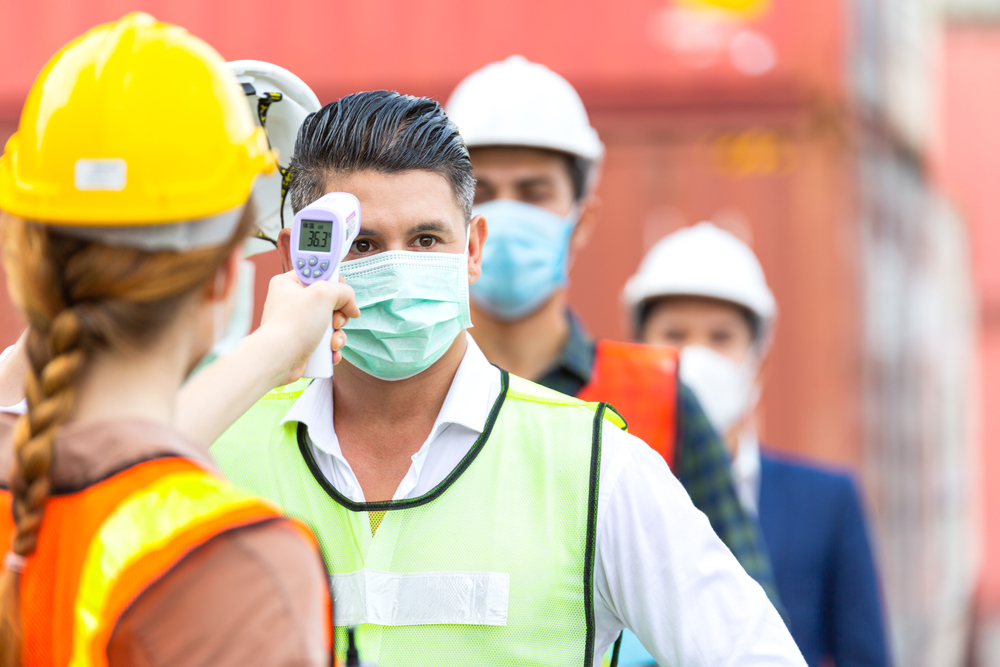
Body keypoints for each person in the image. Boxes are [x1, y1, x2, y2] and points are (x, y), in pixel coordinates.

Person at [212, 90, 806, 667]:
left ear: (472, 249)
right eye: (362, 244)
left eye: (425, 240)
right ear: (299, 258)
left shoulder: (596, 467)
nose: (398, 268)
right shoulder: (216, 457)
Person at [0, 14, 361, 665]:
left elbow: (107, 458)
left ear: (23, 264)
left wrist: (273, 350)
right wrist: (278, 346)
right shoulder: (233, 564)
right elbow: (125, 475)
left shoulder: (26, 496)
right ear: (226, 276)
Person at [443, 55, 782, 612]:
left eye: (533, 193)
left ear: (583, 222)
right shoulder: (398, 402)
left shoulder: (663, 401)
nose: (502, 217)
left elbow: (745, 626)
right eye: (481, 193)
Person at [624, 221, 892, 667]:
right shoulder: (605, 487)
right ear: (638, 351)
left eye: (721, 337)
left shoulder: (827, 502)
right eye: (674, 334)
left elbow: (864, 655)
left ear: (759, 361)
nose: (697, 355)